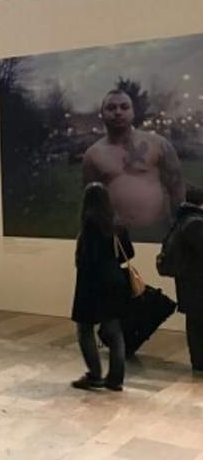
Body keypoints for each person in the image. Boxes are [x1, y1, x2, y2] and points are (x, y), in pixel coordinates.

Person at [83, 89, 185, 241]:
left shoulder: (158, 144)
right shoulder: (93, 154)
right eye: (111, 108)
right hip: (115, 236)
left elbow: (177, 189)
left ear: (133, 112)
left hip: (159, 231)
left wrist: (181, 228)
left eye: (124, 107)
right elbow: (91, 201)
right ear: (102, 114)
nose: (118, 112)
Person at [71, 182, 133, 391]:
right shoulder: (117, 224)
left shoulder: (89, 223)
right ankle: (116, 379)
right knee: (114, 330)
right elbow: (129, 252)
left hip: (92, 282)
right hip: (115, 280)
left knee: (85, 328)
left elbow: (88, 257)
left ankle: (94, 374)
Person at [157, 184, 203, 374]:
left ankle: (198, 362)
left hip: (188, 283)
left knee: (195, 324)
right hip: (198, 284)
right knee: (198, 325)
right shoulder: (196, 224)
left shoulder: (182, 220)